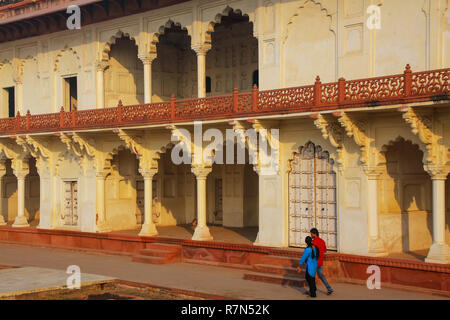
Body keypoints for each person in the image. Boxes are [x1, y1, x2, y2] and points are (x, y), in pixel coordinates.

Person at [310, 228, 333, 295]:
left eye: (311, 233)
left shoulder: (313, 242)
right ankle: (329, 288)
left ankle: (312, 290)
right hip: (320, 262)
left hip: (314, 262)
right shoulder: (322, 241)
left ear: (314, 234)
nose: (311, 235)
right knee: (321, 275)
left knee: (311, 277)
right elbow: (325, 250)